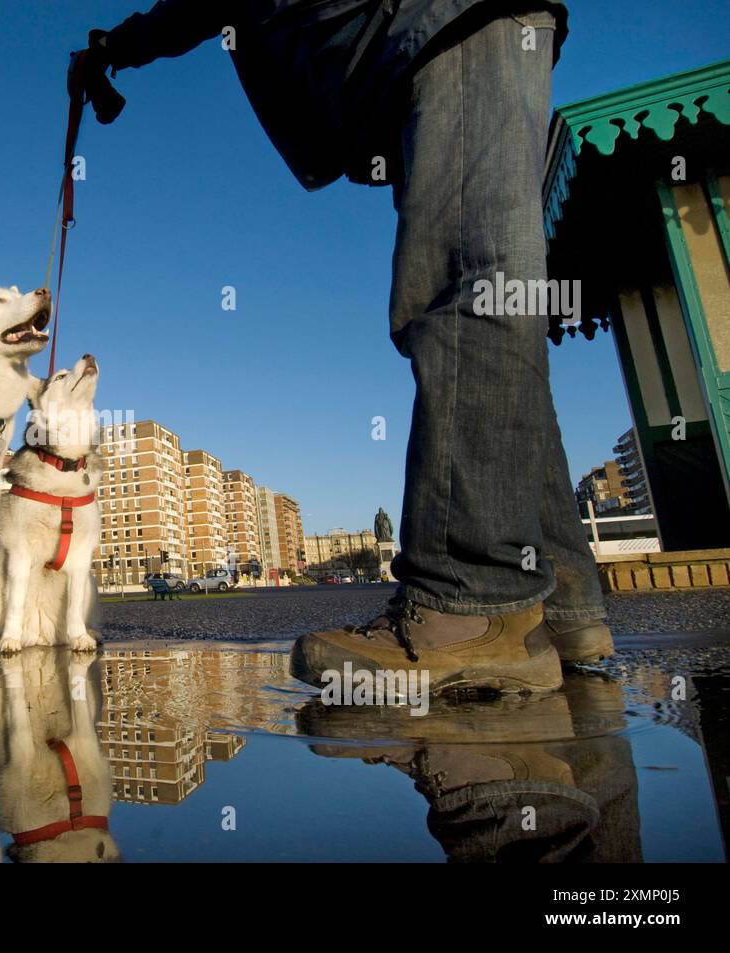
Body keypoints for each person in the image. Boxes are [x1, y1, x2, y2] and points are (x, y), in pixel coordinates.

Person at [70, 0, 612, 693]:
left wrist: (120, 46)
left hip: (447, 19)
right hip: (448, 32)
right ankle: (558, 604)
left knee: (463, 289)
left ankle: (472, 606)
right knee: (490, 295)